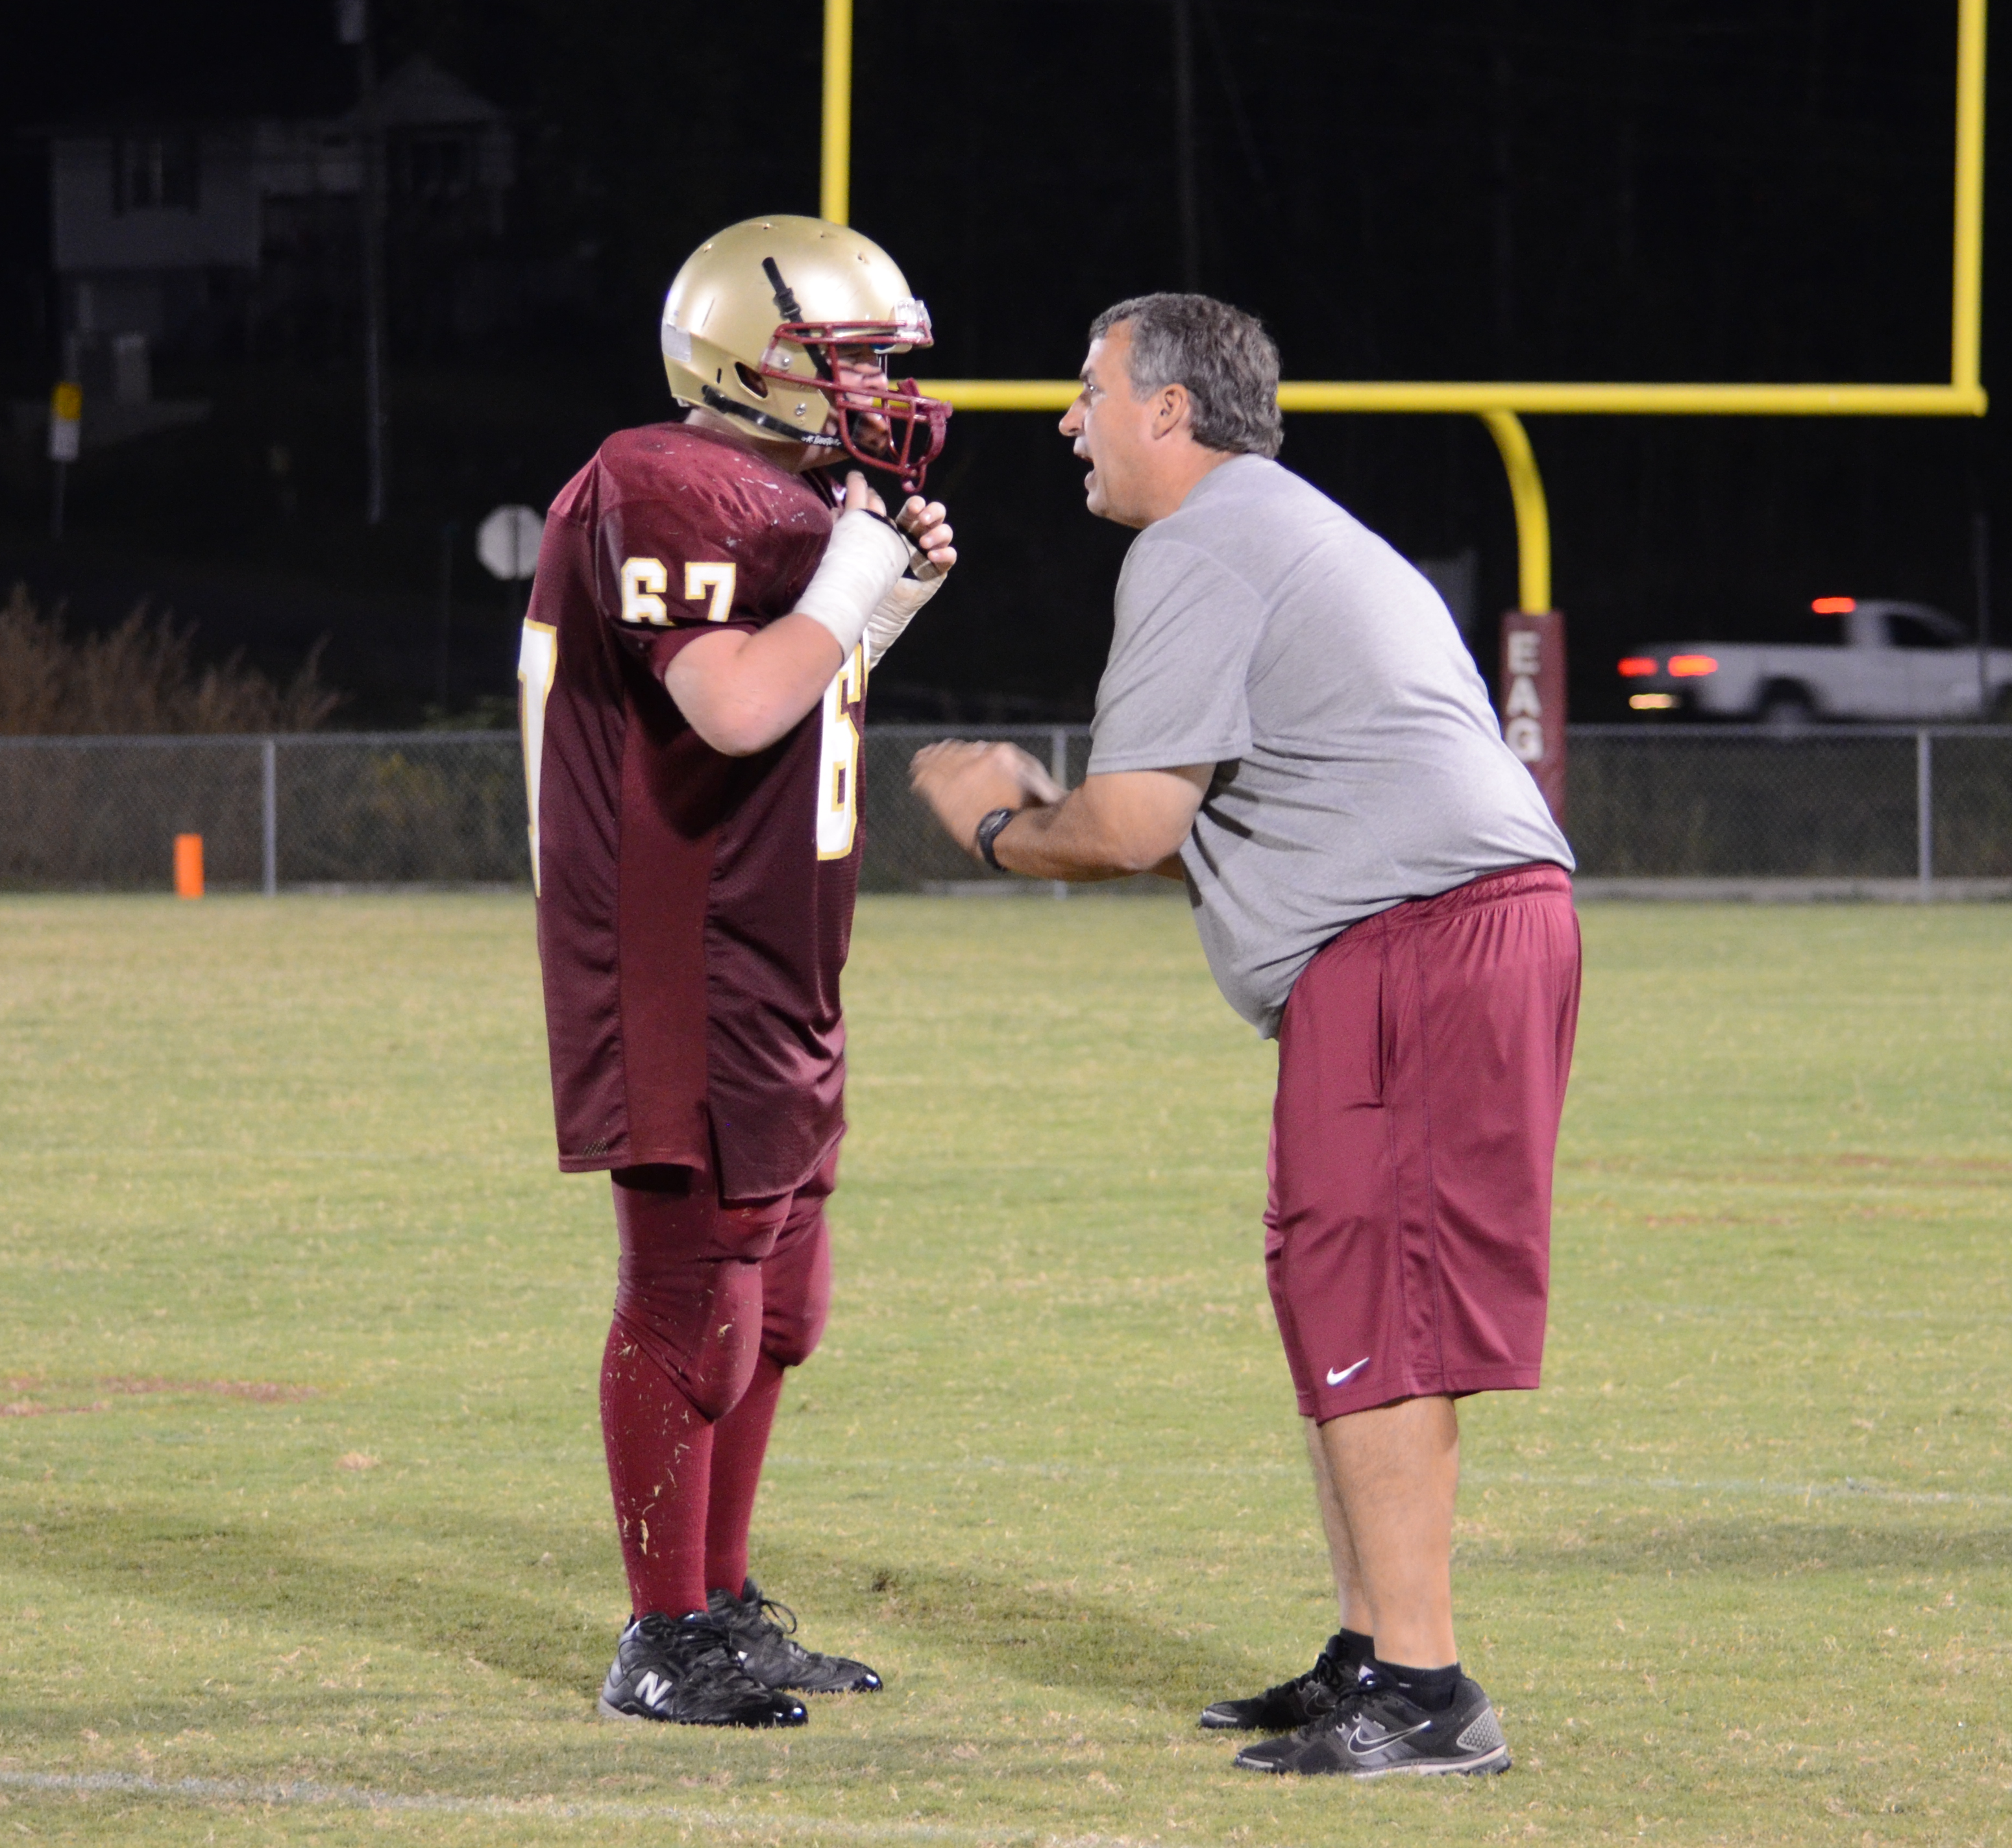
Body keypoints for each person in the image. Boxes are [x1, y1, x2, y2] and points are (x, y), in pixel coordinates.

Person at [909, 293, 1578, 1779]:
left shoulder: (1201, 540)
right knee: (1340, 1286)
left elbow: (1135, 821)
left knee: (1373, 1297)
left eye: (1089, 390)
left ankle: (1423, 1689)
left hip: (1418, 937)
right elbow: (1180, 823)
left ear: (1171, 411)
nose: (1066, 419)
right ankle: (1373, 1645)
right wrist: (1044, 825)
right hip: (1426, 930)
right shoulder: (1269, 525)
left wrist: (999, 826)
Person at [524, 215, 957, 1729]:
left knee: (781, 1311)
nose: (881, 393)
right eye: (852, 361)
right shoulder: (665, 478)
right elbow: (724, 707)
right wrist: (847, 577)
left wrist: (871, 604)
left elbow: (795, 702)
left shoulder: (765, 494)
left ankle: (719, 1604)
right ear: (749, 359)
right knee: (693, 1299)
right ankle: (662, 1635)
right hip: (683, 955)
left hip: (779, 950)